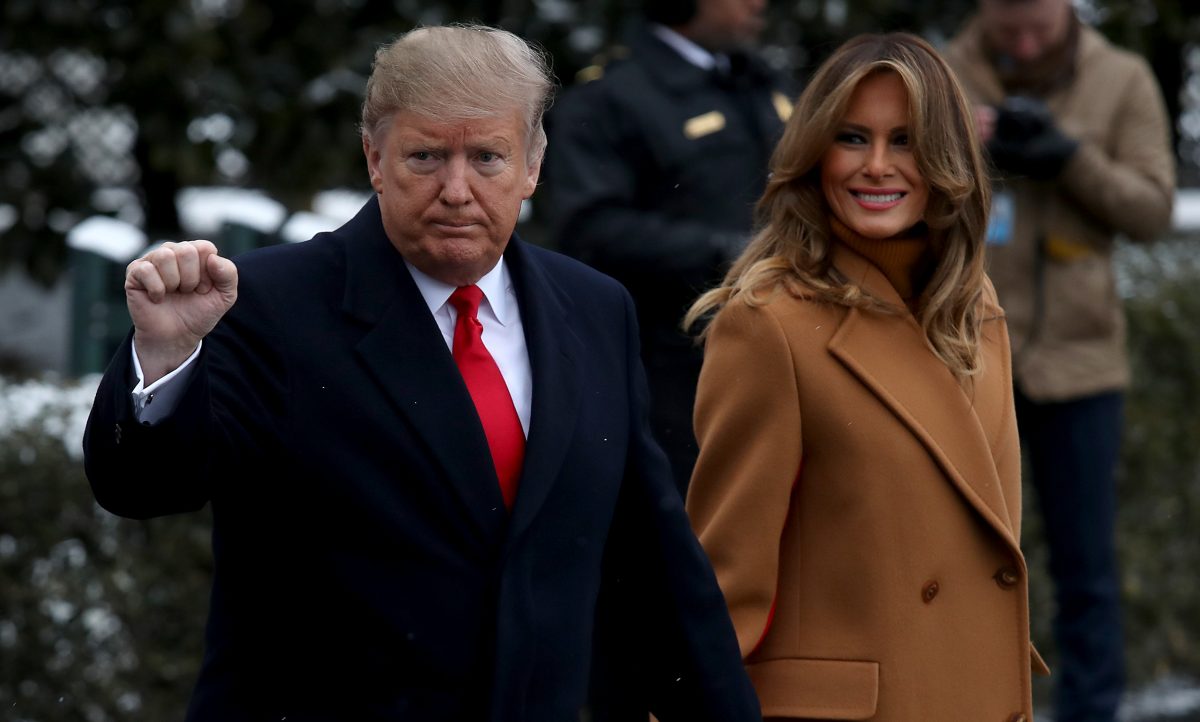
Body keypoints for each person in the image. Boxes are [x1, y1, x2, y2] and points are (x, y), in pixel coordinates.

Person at [81, 25, 760, 722]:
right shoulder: (270, 306)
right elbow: (144, 487)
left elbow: (651, 564)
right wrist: (164, 358)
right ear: (375, 158)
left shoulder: (593, 309)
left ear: (533, 164)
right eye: (427, 156)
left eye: (488, 157)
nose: (457, 190)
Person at [684, 33, 1049, 721]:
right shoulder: (769, 325)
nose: (877, 167)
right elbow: (725, 581)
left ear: (946, 157)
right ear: (816, 152)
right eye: (853, 138)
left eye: (906, 141)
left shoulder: (976, 308)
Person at [945, 1, 1176, 719]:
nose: (1020, 41)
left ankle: (1091, 708)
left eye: (1036, 29)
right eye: (1005, 27)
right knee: (954, 564)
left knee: (1086, 569)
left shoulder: (1122, 76)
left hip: (1080, 365)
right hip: (961, 360)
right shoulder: (945, 73)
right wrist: (960, 150)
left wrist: (1069, 157)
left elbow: (1152, 210)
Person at [543, 0, 789, 494]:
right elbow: (587, 229)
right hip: (671, 372)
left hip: (778, 354)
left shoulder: (759, 81)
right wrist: (727, 252)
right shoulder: (611, 97)